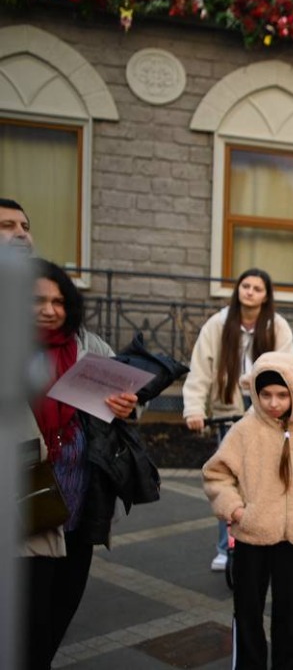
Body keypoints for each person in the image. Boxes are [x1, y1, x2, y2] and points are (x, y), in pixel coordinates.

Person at [24, 258, 140, 670]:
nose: (50, 309)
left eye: (58, 301)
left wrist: (126, 406)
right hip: (26, 505)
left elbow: (120, 406)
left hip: (81, 503)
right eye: (38, 299)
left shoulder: (89, 347)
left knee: (61, 611)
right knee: (29, 620)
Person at [202, 351, 293, 670]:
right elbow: (216, 474)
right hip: (251, 536)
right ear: (255, 393)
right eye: (265, 395)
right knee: (247, 609)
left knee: (291, 607)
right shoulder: (244, 431)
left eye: (282, 394)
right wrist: (235, 510)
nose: (273, 403)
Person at [183, 268, 293, 572]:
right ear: (238, 290)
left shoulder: (277, 326)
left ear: (266, 295)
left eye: (258, 288)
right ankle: (225, 547)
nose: (250, 292)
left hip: (267, 409)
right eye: (245, 286)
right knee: (227, 481)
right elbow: (200, 370)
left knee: (265, 480)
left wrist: (290, 412)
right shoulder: (218, 325)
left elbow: (288, 371)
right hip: (228, 410)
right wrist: (194, 409)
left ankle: (266, 539)